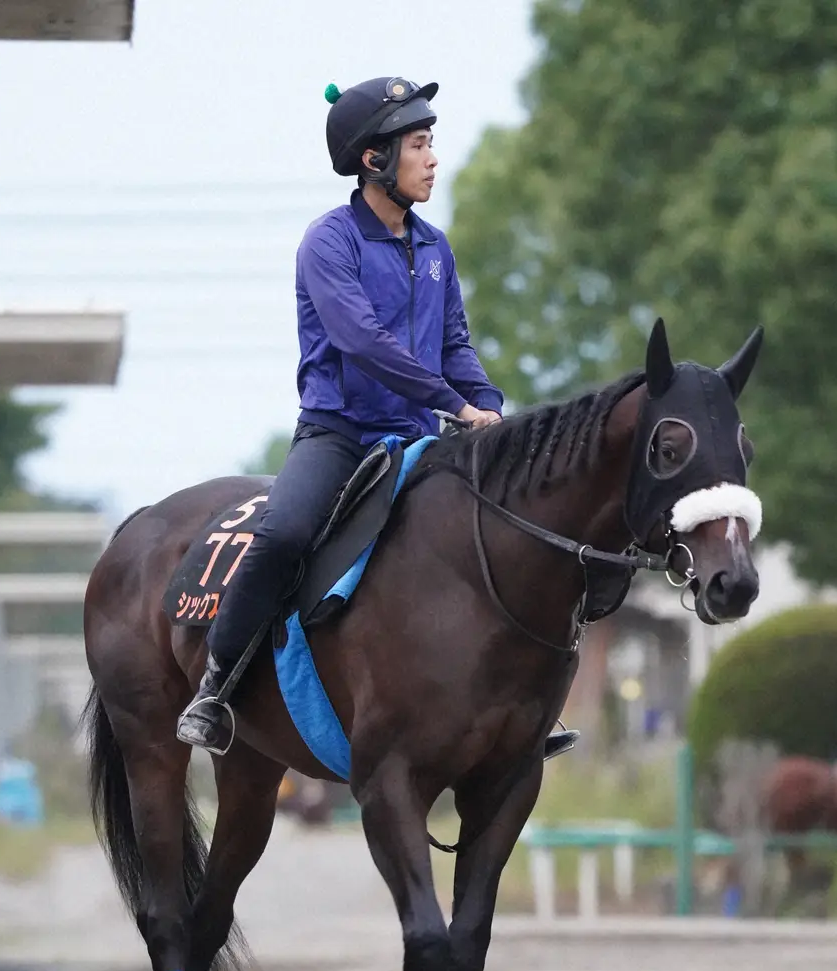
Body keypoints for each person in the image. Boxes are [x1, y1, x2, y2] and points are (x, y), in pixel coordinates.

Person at [177, 76, 576, 764]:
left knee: (501, 539)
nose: (432, 158)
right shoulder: (328, 243)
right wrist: (455, 406)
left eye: (431, 143)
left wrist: (494, 413)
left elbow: (455, 347)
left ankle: (518, 713)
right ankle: (215, 687)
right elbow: (363, 341)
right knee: (283, 536)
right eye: (419, 144)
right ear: (374, 160)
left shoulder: (436, 248)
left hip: (422, 440)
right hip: (339, 436)